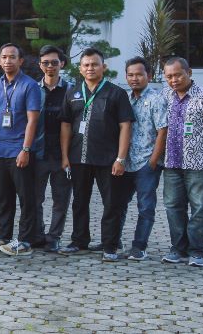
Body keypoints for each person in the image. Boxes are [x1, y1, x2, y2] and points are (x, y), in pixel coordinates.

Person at [59, 48, 134, 261]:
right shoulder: (72, 92)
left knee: (111, 202)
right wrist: (65, 156)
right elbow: (65, 125)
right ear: (80, 69)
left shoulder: (116, 93)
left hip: (108, 159)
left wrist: (121, 158)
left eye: (94, 64)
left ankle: (110, 245)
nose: (90, 68)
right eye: (86, 65)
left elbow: (125, 126)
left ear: (104, 67)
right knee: (79, 201)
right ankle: (79, 240)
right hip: (78, 157)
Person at [159, 57, 203, 266]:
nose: (174, 80)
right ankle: (178, 249)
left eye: (178, 74)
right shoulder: (164, 97)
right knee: (173, 206)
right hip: (171, 163)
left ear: (189, 72)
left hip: (199, 164)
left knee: (199, 207)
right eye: (169, 76)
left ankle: (198, 251)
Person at [0, 43, 41, 257]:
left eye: (12, 57)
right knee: (3, 197)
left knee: (25, 197)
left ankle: (25, 240)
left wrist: (25, 149)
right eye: (4, 57)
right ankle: (2, 237)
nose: (8, 61)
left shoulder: (30, 85)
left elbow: (33, 120)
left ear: (20, 60)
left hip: (19, 150)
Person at [116, 56, 167, 261]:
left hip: (146, 162)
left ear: (149, 75)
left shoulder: (156, 99)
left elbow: (163, 131)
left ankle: (139, 247)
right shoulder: (125, 98)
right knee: (118, 203)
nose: (134, 78)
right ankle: (113, 240)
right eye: (130, 75)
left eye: (139, 74)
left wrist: (154, 161)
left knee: (145, 206)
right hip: (125, 162)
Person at [33, 45, 73, 251]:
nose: (50, 66)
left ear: (62, 64)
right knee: (36, 197)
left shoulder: (72, 90)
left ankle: (54, 236)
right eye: (46, 63)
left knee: (61, 198)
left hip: (62, 154)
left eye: (54, 62)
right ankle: (38, 234)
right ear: (40, 65)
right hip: (38, 152)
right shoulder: (32, 89)